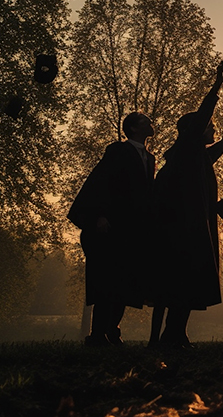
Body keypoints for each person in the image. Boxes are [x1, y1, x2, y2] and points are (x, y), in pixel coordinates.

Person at [151, 57, 223, 347]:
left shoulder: (196, 156)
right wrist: (217, 83)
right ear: (195, 130)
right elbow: (203, 114)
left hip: (192, 226)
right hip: (182, 228)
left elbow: (216, 152)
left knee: (186, 283)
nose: (212, 131)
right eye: (210, 128)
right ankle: (165, 335)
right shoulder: (187, 148)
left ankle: (175, 332)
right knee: (174, 283)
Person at [68, 112, 155, 346]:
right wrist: (98, 215)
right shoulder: (119, 151)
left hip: (134, 230)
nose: (151, 124)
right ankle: (98, 334)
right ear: (134, 128)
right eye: (146, 121)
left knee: (126, 282)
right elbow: (101, 182)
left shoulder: (149, 157)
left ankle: (112, 330)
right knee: (107, 280)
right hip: (112, 226)